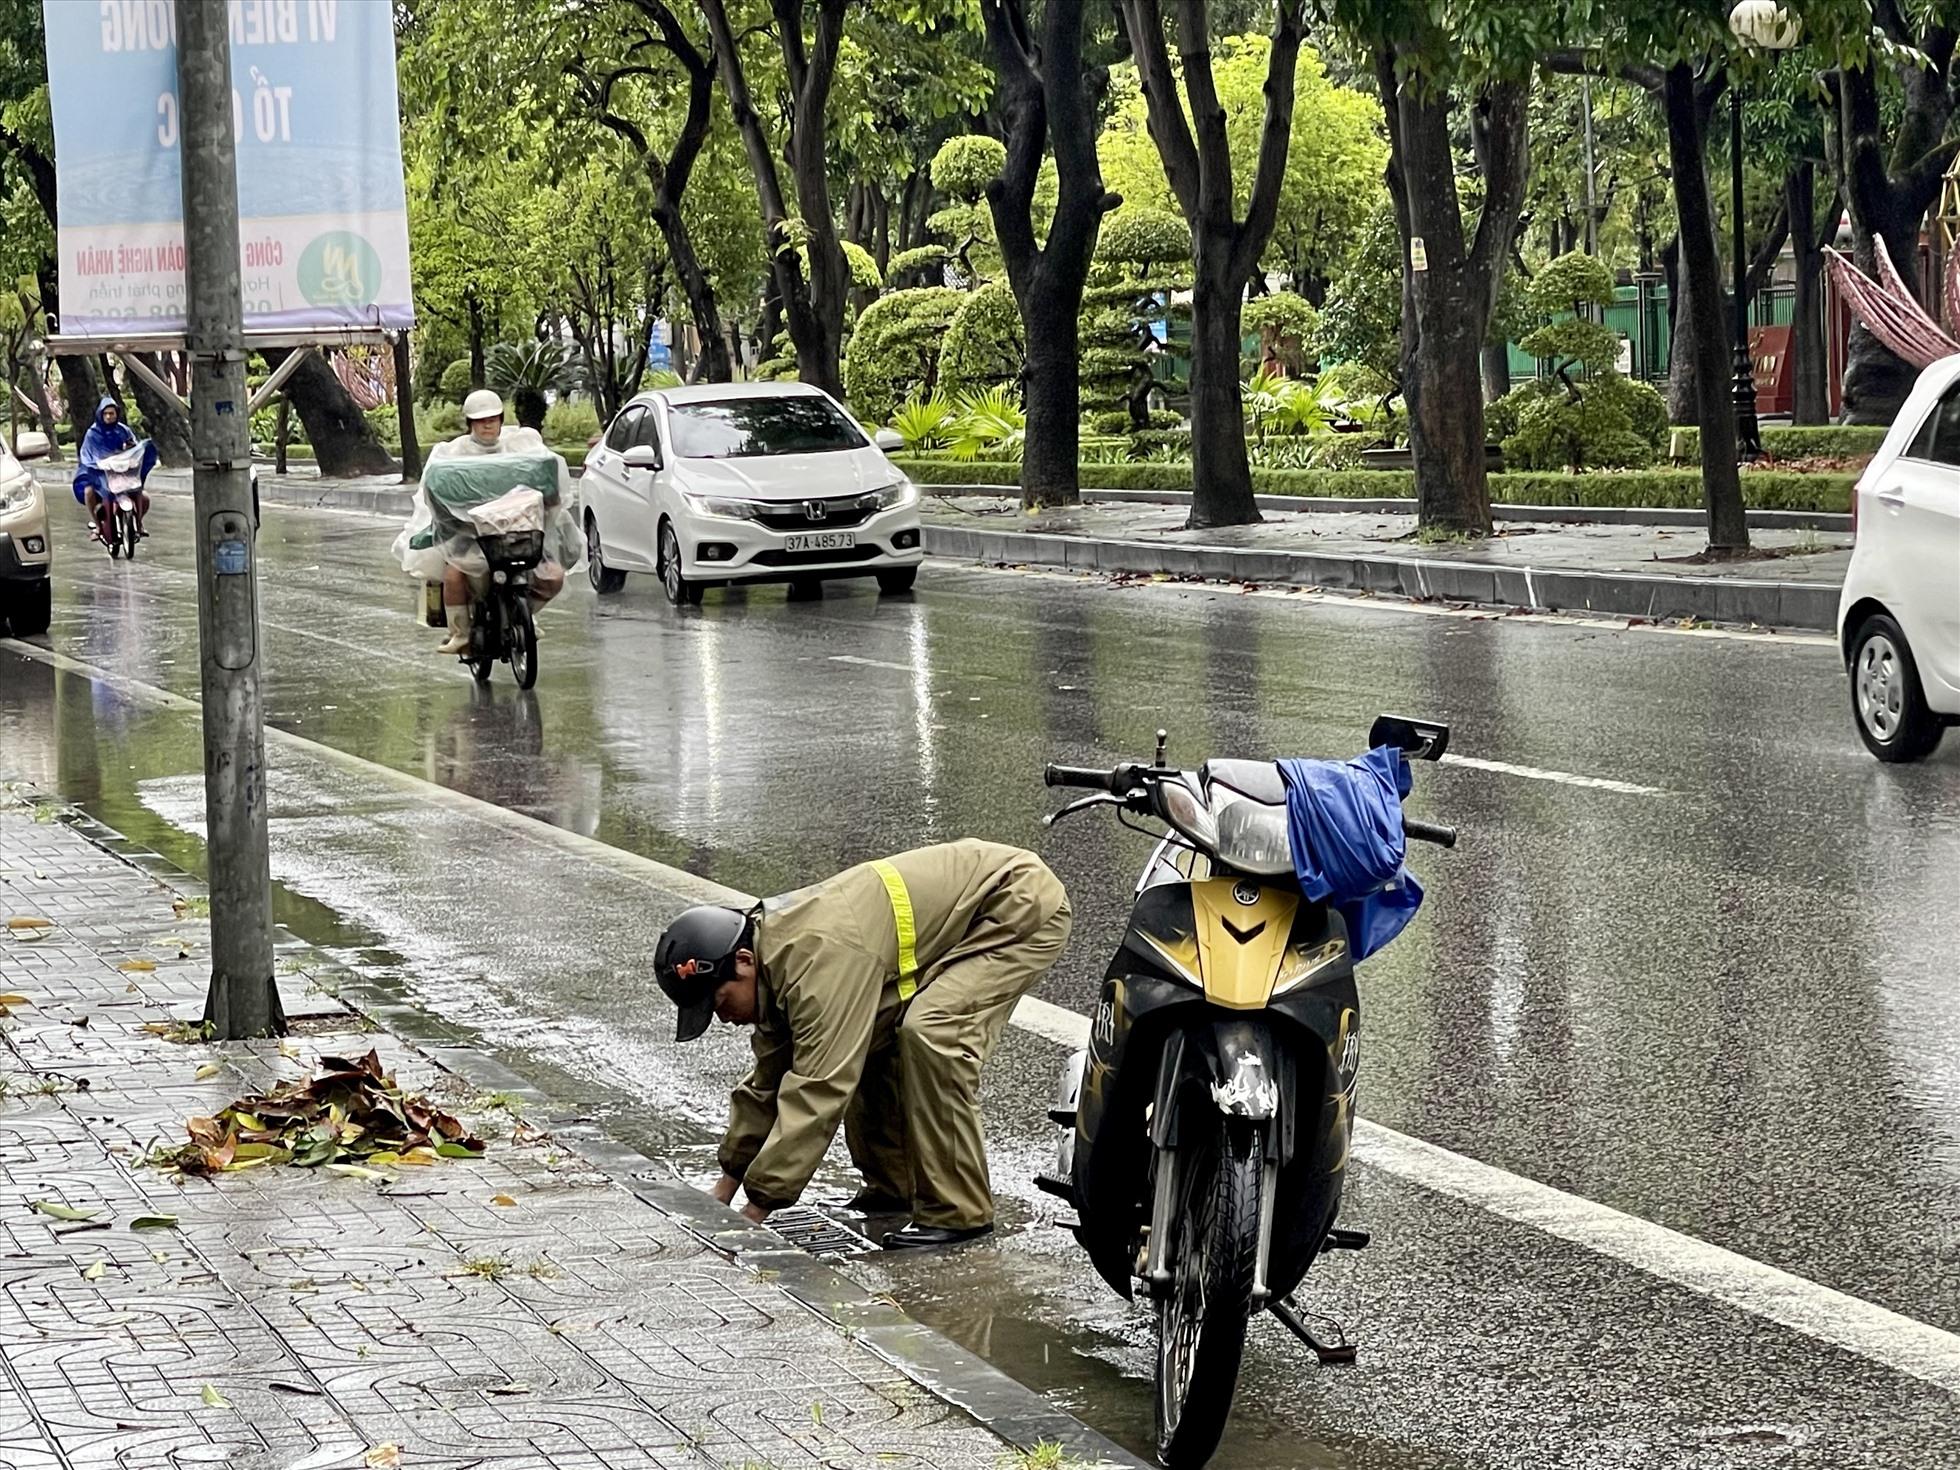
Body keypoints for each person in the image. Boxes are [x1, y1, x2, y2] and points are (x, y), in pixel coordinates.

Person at [655, 840, 1072, 1250]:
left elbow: (819, 1088)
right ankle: (895, 1192)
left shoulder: (818, 964)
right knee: (869, 1037)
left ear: (744, 961)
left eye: (719, 1002)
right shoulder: (774, 967)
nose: (723, 1017)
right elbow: (768, 1083)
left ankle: (959, 1213)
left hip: (1015, 905)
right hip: (971, 917)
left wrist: (754, 1211)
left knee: (932, 1034)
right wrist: (725, 1187)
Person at [409, 389, 576, 655]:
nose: (487, 425)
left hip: (517, 536)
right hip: (469, 537)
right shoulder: (452, 452)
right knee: (454, 575)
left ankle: (523, 617)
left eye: (492, 419)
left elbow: (547, 482)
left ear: (500, 420)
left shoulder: (521, 445)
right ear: (470, 423)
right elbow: (434, 492)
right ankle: (461, 634)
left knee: (553, 577)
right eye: (480, 420)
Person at [72, 397, 156, 542]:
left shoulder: (124, 430)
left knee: (143, 497)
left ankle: (139, 524)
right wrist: (95, 464)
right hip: (101, 474)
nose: (109, 417)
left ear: (117, 414)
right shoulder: (92, 433)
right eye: (106, 414)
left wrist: (133, 451)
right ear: (100, 414)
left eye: (112, 413)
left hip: (122, 473)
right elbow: (87, 454)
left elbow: (134, 447)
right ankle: (98, 527)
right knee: (89, 492)